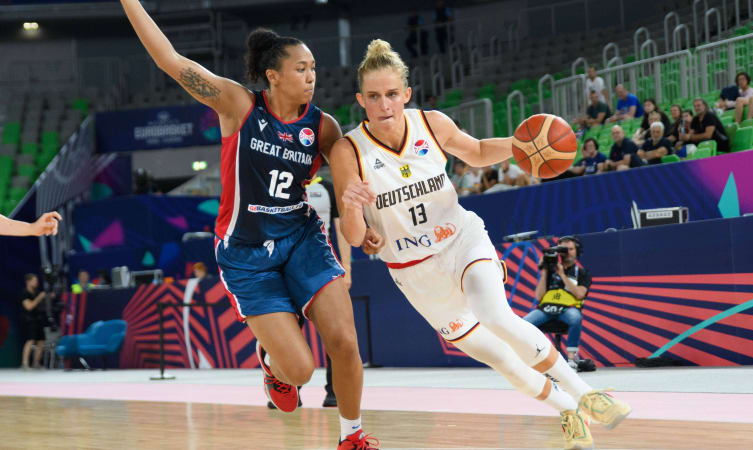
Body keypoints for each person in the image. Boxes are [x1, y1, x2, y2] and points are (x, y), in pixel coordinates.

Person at [330, 39, 630, 450]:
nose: (385, 104)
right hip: (414, 272)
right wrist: (350, 208)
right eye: (375, 96)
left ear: (407, 94)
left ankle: (587, 394)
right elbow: (352, 236)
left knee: (496, 314)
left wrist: (525, 144)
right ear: (360, 100)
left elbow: (476, 152)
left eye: (393, 94)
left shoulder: (431, 123)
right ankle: (567, 410)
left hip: (461, 240)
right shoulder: (348, 150)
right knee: (501, 359)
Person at [118, 2, 376, 449]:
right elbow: (170, 61)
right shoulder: (238, 106)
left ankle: (351, 436)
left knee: (344, 342)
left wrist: (365, 219)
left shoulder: (325, 127)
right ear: (274, 76)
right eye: (301, 68)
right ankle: (272, 363)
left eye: (313, 67)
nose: (312, 76)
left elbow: (351, 180)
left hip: (301, 238)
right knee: (300, 372)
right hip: (245, 255)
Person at [304, 175, 353, 408]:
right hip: (288, 267)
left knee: (335, 330)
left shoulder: (327, 188)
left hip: (323, 265)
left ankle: (333, 391)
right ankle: (286, 387)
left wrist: (347, 268)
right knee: (288, 328)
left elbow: (341, 227)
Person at [523, 237, 590, 369]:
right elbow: (539, 296)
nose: (567, 253)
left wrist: (562, 274)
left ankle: (571, 358)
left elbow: (580, 294)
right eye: (564, 250)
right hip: (546, 309)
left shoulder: (582, 273)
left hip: (567, 309)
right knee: (523, 324)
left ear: (577, 251)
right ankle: (531, 358)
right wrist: (544, 272)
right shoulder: (549, 272)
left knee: (576, 318)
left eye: (570, 249)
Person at [20, 274, 48, 370]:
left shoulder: (36, 293)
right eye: (34, 280)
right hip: (29, 320)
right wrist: (39, 298)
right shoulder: (25, 293)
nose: (36, 282)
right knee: (30, 340)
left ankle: (36, 363)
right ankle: (25, 363)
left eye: (36, 281)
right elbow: (29, 307)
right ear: (28, 281)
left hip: (38, 319)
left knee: (41, 341)